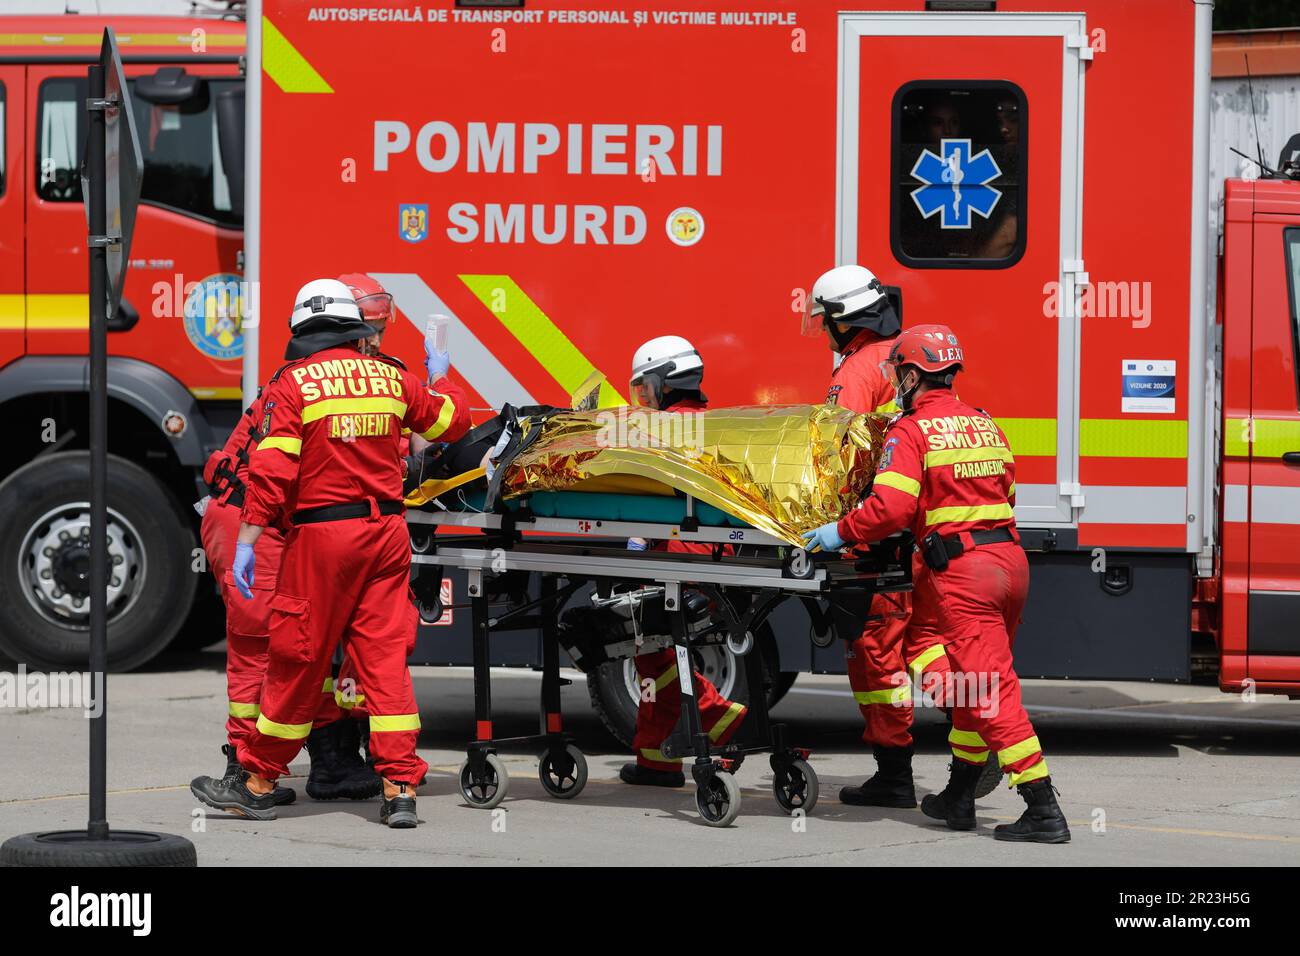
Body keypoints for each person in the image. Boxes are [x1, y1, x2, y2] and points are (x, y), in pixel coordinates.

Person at [190, 278, 471, 828]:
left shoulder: (292, 384)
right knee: (385, 659)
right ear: (356, 328)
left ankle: (255, 779)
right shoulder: (393, 377)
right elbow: (448, 424)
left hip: (321, 537)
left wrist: (247, 543)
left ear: (301, 331)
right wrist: (439, 373)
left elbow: (271, 476)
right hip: (387, 534)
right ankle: (399, 788)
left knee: (298, 655)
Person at [802, 324, 1069, 843]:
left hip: (962, 574)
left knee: (989, 690)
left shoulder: (911, 430)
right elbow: (1007, 490)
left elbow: (890, 508)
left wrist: (839, 531)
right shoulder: (983, 423)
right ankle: (960, 796)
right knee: (945, 660)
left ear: (909, 375)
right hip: (1008, 563)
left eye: (898, 373)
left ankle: (1042, 806)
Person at [804, 264, 949, 808]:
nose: (824, 331)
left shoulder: (859, 370)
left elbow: (834, 455)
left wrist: (828, 524)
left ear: (845, 319)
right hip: (921, 535)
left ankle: (894, 774)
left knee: (875, 654)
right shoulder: (904, 361)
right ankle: (974, 734)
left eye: (826, 322)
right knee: (925, 645)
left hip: (875, 535)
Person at [618, 335, 747, 788]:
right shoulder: (708, 426)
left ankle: (718, 718)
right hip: (710, 558)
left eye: (646, 389)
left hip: (678, 561)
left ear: (666, 384)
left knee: (654, 649)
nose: (644, 399)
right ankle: (655, 759)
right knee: (654, 652)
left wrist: (635, 540)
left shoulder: (662, 431)